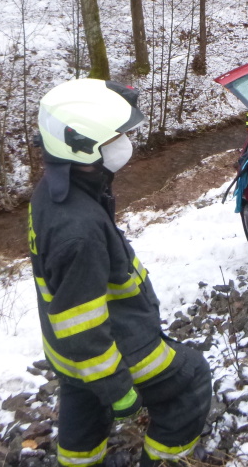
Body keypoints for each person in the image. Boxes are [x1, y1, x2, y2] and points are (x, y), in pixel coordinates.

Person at [29, 79, 212, 467]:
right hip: (115, 344)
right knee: (190, 379)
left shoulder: (56, 189)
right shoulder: (77, 230)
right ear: (79, 145)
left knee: (83, 405)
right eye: (115, 137)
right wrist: (117, 388)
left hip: (67, 353)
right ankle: (161, 460)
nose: (124, 143)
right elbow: (81, 323)